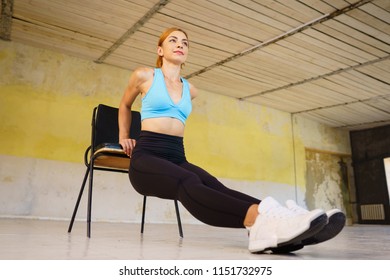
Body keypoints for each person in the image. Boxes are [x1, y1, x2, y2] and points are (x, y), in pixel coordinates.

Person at [118, 27, 345, 253]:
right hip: (147, 156)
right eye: (173, 41)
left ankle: (277, 218)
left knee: (215, 186)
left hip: (177, 156)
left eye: (185, 43)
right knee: (187, 180)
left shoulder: (190, 90)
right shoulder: (144, 76)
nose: (180, 45)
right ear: (160, 49)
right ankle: (257, 222)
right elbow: (125, 105)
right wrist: (124, 136)